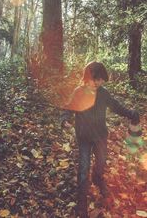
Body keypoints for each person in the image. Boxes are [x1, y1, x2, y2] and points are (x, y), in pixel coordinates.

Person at [61, 61, 141, 218]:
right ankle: (82, 202)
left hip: (100, 136)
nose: (98, 83)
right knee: (84, 168)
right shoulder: (79, 92)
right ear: (88, 77)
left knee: (101, 162)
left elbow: (116, 106)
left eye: (101, 80)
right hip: (84, 137)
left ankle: (97, 179)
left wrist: (131, 113)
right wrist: (65, 119)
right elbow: (68, 108)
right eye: (96, 80)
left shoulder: (103, 93)